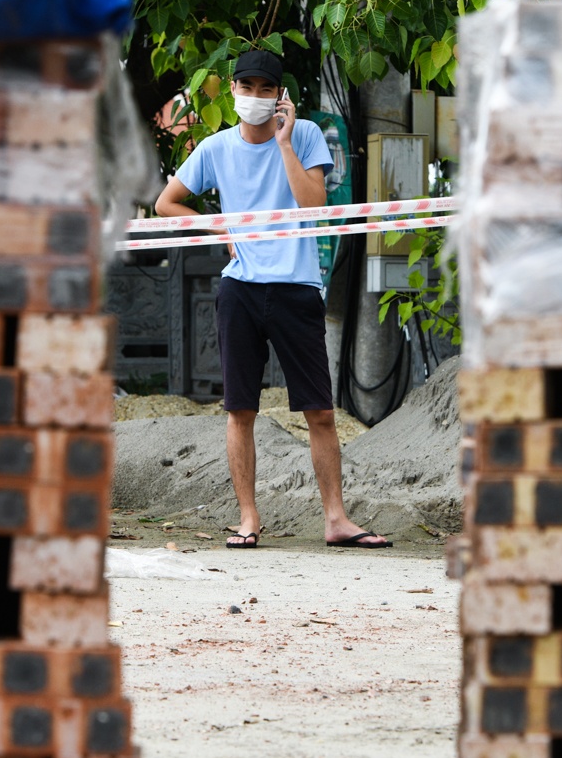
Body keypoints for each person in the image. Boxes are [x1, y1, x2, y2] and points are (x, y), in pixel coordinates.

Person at [154, 48, 391, 551]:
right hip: (240, 288)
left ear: (280, 96)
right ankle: (248, 519)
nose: (256, 97)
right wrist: (216, 226)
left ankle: (335, 520)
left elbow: (313, 206)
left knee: (320, 411)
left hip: (297, 286)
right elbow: (164, 204)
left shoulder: (305, 135)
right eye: (248, 87)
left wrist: (284, 143)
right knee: (240, 410)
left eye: (267, 89)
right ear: (233, 90)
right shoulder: (216, 148)